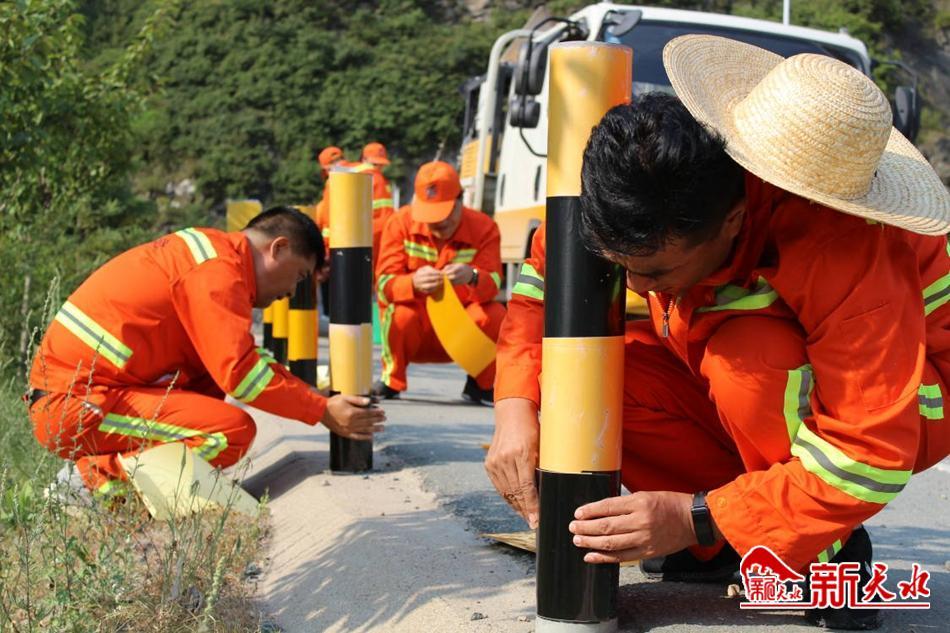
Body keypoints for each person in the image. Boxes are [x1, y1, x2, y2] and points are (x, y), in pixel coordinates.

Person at [487, 36, 949, 630]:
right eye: (620, 266)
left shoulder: (843, 246)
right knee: (589, 373)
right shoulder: (646, 182)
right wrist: (514, 408)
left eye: (656, 274)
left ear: (732, 222)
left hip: (910, 400)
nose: (635, 287)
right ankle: (720, 548)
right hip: (759, 375)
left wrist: (696, 517)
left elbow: (870, 450)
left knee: (747, 357)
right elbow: (542, 293)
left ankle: (818, 553)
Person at [28, 206, 386, 500]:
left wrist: (312, 397)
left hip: (86, 395)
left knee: (208, 387)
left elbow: (241, 359)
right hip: (74, 405)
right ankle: (89, 482)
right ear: (278, 248)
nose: (293, 291)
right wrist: (320, 410)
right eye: (299, 275)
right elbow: (242, 374)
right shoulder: (218, 271)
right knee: (228, 433)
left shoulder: (215, 258)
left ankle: (104, 474)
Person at [373, 160, 505, 406]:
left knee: (495, 314)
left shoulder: (485, 228)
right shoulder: (400, 223)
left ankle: (482, 385)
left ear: (460, 200)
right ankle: (392, 380)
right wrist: (412, 283)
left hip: (461, 331)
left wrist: (472, 275)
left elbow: (494, 284)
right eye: (430, 215)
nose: (438, 223)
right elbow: (384, 285)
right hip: (417, 330)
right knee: (400, 314)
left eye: (444, 214)